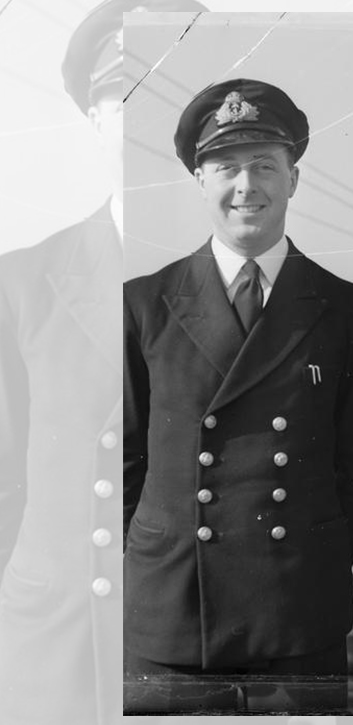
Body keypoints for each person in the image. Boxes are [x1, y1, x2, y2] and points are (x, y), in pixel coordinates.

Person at [122, 78, 353, 713]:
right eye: (226, 167)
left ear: (294, 179)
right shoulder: (142, 304)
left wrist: (309, 552)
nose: (247, 187)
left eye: (265, 167)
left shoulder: (348, 310)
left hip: (295, 617)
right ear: (198, 179)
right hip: (174, 618)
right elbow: (120, 462)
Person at [0, 2, 204, 723]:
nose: (142, 115)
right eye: (123, 92)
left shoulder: (255, 290)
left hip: (191, 643)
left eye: (167, 90)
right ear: (92, 116)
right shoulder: (20, 282)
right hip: (50, 646)